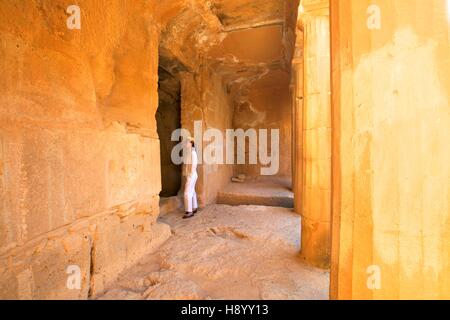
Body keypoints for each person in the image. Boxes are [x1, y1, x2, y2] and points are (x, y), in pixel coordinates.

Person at [182, 137, 198, 219]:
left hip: (192, 175)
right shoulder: (191, 152)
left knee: (187, 193)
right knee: (192, 191)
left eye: (187, 142)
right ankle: (194, 207)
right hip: (192, 174)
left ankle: (189, 211)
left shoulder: (192, 153)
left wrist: (189, 175)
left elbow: (194, 165)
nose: (186, 144)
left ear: (191, 143)